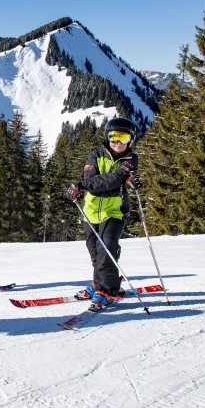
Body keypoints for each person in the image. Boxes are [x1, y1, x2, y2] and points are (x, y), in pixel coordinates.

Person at [66, 117, 143, 311]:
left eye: (123, 138)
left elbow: (96, 183)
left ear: (130, 140)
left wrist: (127, 181)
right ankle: (99, 282)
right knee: (95, 251)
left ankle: (108, 290)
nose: (118, 142)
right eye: (113, 137)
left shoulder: (131, 160)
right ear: (107, 137)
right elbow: (92, 181)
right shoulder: (95, 155)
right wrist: (117, 179)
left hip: (115, 211)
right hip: (90, 211)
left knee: (107, 247)